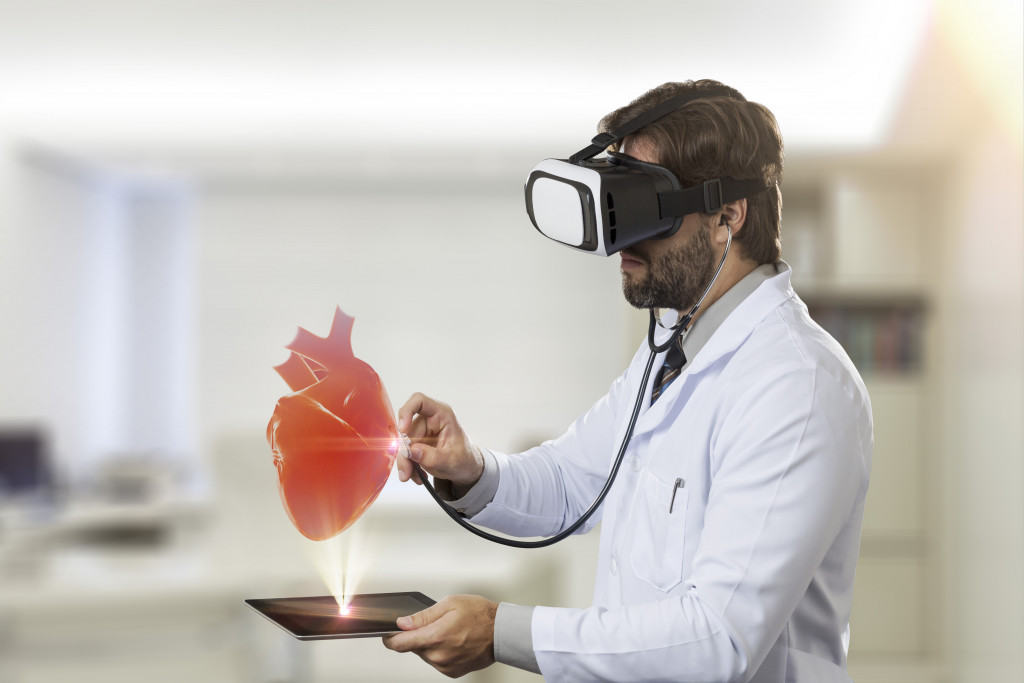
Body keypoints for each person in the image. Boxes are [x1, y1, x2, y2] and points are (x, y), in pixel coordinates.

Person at [382, 79, 873, 682]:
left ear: (727, 216)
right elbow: (574, 485)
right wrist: (469, 469)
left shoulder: (797, 387)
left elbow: (717, 638)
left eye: (644, 209)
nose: (620, 239)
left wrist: (500, 632)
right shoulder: (671, 349)